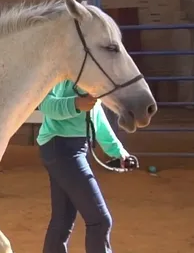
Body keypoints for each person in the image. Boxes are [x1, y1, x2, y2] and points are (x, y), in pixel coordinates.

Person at [37, 80, 131, 253]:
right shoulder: (60, 76)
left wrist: (118, 152)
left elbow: (98, 117)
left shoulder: (90, 79)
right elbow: (45, 104)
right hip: (61, 148)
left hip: (73, 149)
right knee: (100, 220)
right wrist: (76, 104)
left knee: (62, 220)